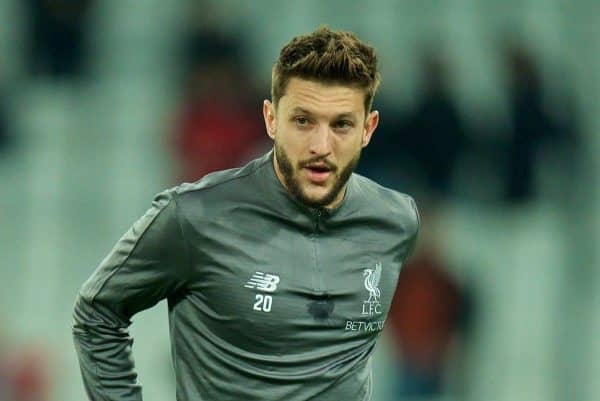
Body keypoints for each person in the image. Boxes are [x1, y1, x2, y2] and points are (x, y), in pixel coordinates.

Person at [72, 26, 419, 401]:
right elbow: (97, 313)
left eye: (342, 125)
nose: (321, 146)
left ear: (368, 129)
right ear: (271, 119)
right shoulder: (195, 216)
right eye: (303, 121)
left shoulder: (396, 221)